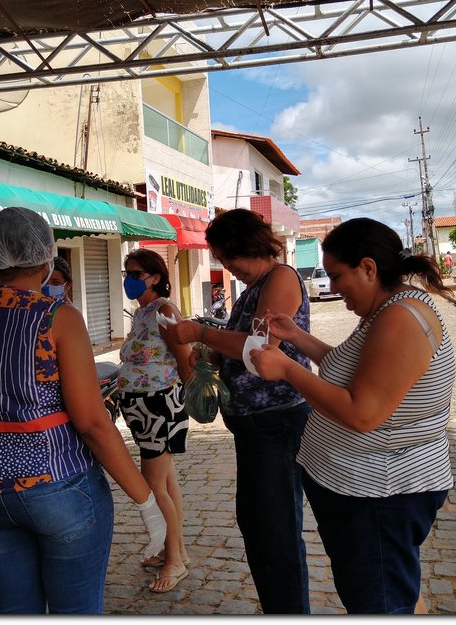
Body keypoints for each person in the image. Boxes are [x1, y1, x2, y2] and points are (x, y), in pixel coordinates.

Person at [0, 207, 166, 614]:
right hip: (58, 488)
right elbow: (94, 423)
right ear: (46, 258)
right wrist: (147, 503)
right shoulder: (58, 317)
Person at [250, 217, 455, 614]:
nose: (332, 287)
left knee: (379, 604)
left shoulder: (400, 318)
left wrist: (287, 369)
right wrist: (297, 338)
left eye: (337, 275)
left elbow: (363, 413)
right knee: (393, 594)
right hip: (363, 489)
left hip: (381, 493)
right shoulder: (386, 311)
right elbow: (351, 372)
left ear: (368, 267)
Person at [164, 208, 313, 614]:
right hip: (253, 426)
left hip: (276, 421)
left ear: (251, 246)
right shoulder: (254, 286)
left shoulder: (280, 277)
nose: (229, 268)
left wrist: (200, 332)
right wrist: (207, 359)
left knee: (274, 529)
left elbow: (259, 345)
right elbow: (236, 342)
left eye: (232, 259)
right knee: (257, 523)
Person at [117, 248, 192, 593]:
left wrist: (193, 396)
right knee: (166, 483)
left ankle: (175, 561)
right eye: (126, 273)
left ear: (155, 277)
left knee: (154, 485)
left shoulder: (164, 311)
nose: (129, 279)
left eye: (135, 273)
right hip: (143, 409)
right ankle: (174, 550)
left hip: (159, 407)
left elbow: (184, 359)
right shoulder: (142, 312)